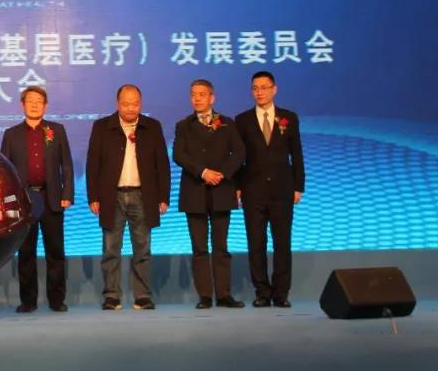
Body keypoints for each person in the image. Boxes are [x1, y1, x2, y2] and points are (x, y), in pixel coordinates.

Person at [86, 84, 170, 310]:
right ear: (118, 104)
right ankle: (111, 296)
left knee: (142, 249)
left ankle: (142, 296)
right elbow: (93, 164)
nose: (131, 108)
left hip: (143, 195)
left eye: (135, 104)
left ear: (141, 104)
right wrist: (93, 196)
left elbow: (162, 164)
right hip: (111, 196)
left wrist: (163, 196)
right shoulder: (102, 127)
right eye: (126, 104)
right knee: (111, 249)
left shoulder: (152, 127)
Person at [0, 86, 73, 313]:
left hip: (51, 197)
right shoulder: (11, 134)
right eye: (30, 100)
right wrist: (9, 201)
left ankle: (57, 300)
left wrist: (67, 194)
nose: (34, 104)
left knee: (55, 252)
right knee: (26, 252)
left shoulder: (56, 130)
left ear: (45, 106)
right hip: (25, 200)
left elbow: (66, 164)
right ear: (22, 105)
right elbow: (5, 171)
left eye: (39, 100)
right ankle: (28, 301)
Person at [172, 79, 245, 309]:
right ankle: (204, 295)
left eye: (202, 94)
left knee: (221, 246)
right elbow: (179, 155)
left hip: (222, 190)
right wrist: (203, 172)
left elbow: (239, 152)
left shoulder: (227, 123)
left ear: (212, 98)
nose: (197, 98)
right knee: (199, 247)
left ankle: (224, 294)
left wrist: (221, 174)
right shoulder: (184, 125)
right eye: (193, 94)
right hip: (194, 191)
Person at [235, 70, 305, 308]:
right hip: (252, 190)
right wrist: (237, 187)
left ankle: (281, 293)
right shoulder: (242, 120)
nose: (259, 92)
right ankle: (262, 292)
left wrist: (298, 186)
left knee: (282, 243)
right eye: (255, 88)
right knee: (256, 243)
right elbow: (238, 158)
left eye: (264, 87)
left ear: (274, 89)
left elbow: (297, 154)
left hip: (282, 190)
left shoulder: (288, 118)